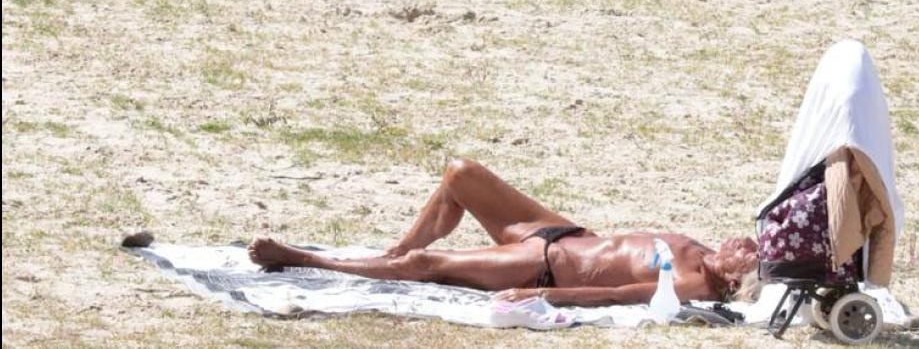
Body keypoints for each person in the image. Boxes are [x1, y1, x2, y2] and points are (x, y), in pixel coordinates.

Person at [247, 157, 761, 307]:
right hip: (563, 233)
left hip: (546, 267)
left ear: (737, 281)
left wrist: (542, 296)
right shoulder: (700, 250)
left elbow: (621, 294)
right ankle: (395, 248)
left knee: (424, 268)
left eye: (750, 255)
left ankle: (304, 259)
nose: (745, 242)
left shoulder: (696, 284)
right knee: (461, 174)